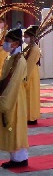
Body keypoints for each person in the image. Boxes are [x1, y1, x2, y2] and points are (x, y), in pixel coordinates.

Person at [0, 29, 29, 168]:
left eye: (8, 41)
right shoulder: (10, 57)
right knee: (10, 126)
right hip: (10, 94)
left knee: (15, 126)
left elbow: (14, 82)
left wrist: (4, 101)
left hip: (15, 96)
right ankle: (15, 157)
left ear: (16, 43)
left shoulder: (19, 61)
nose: (5, 44)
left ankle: (20, 158)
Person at [22, 26, 41, 125]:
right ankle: (27, 115)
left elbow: (29, 64)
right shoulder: (28, 47)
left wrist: (24, 77)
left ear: (32, 37)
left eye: (26, 36)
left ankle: (31, 117)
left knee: (31, 96)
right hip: (28, 72)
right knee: (27, 96)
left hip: (31, 73)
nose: (24, 38)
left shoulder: (35, 48)